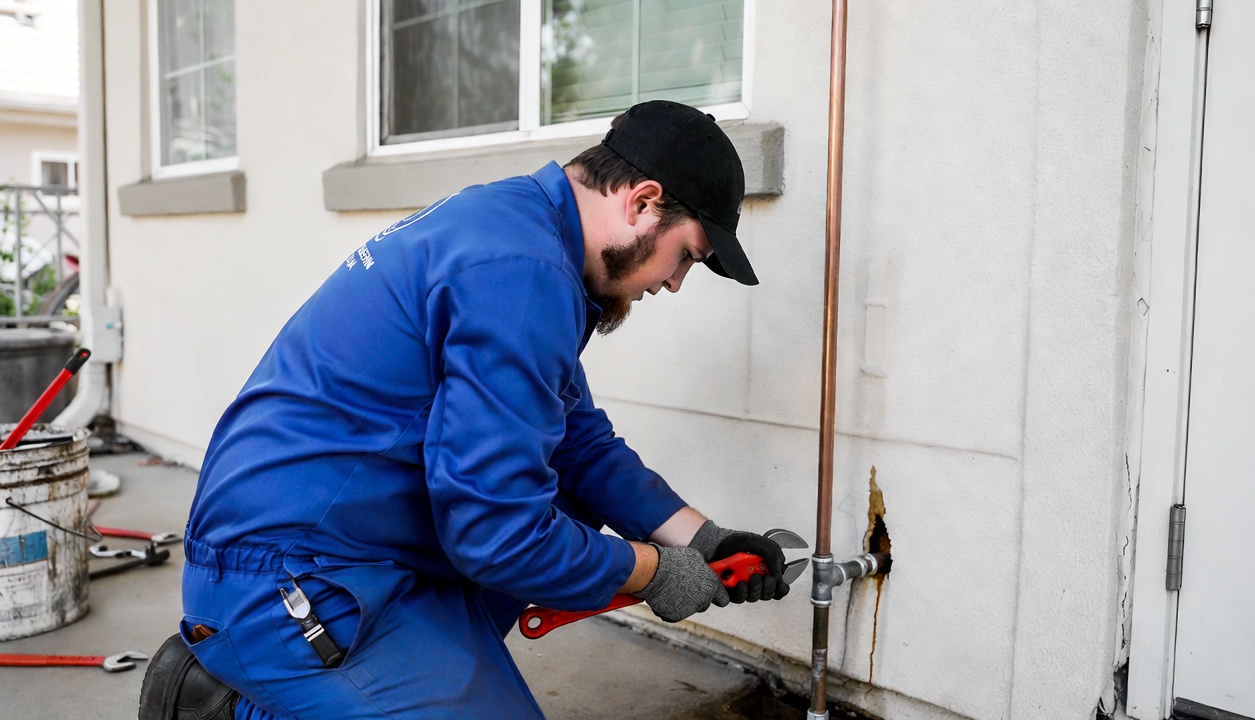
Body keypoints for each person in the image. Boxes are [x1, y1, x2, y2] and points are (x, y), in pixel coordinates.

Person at [141, 101, 791, 720]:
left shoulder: (518, 228)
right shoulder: (521, 270)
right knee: (516, 529)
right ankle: (225, 705)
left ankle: (417, 662)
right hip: (282, 575)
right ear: (643, 201)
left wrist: (704, 541)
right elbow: (498, 533)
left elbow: (579, 443)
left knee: (565, 489)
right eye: (687, 255)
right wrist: (653, 571)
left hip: (344, 542)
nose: (674, 282)